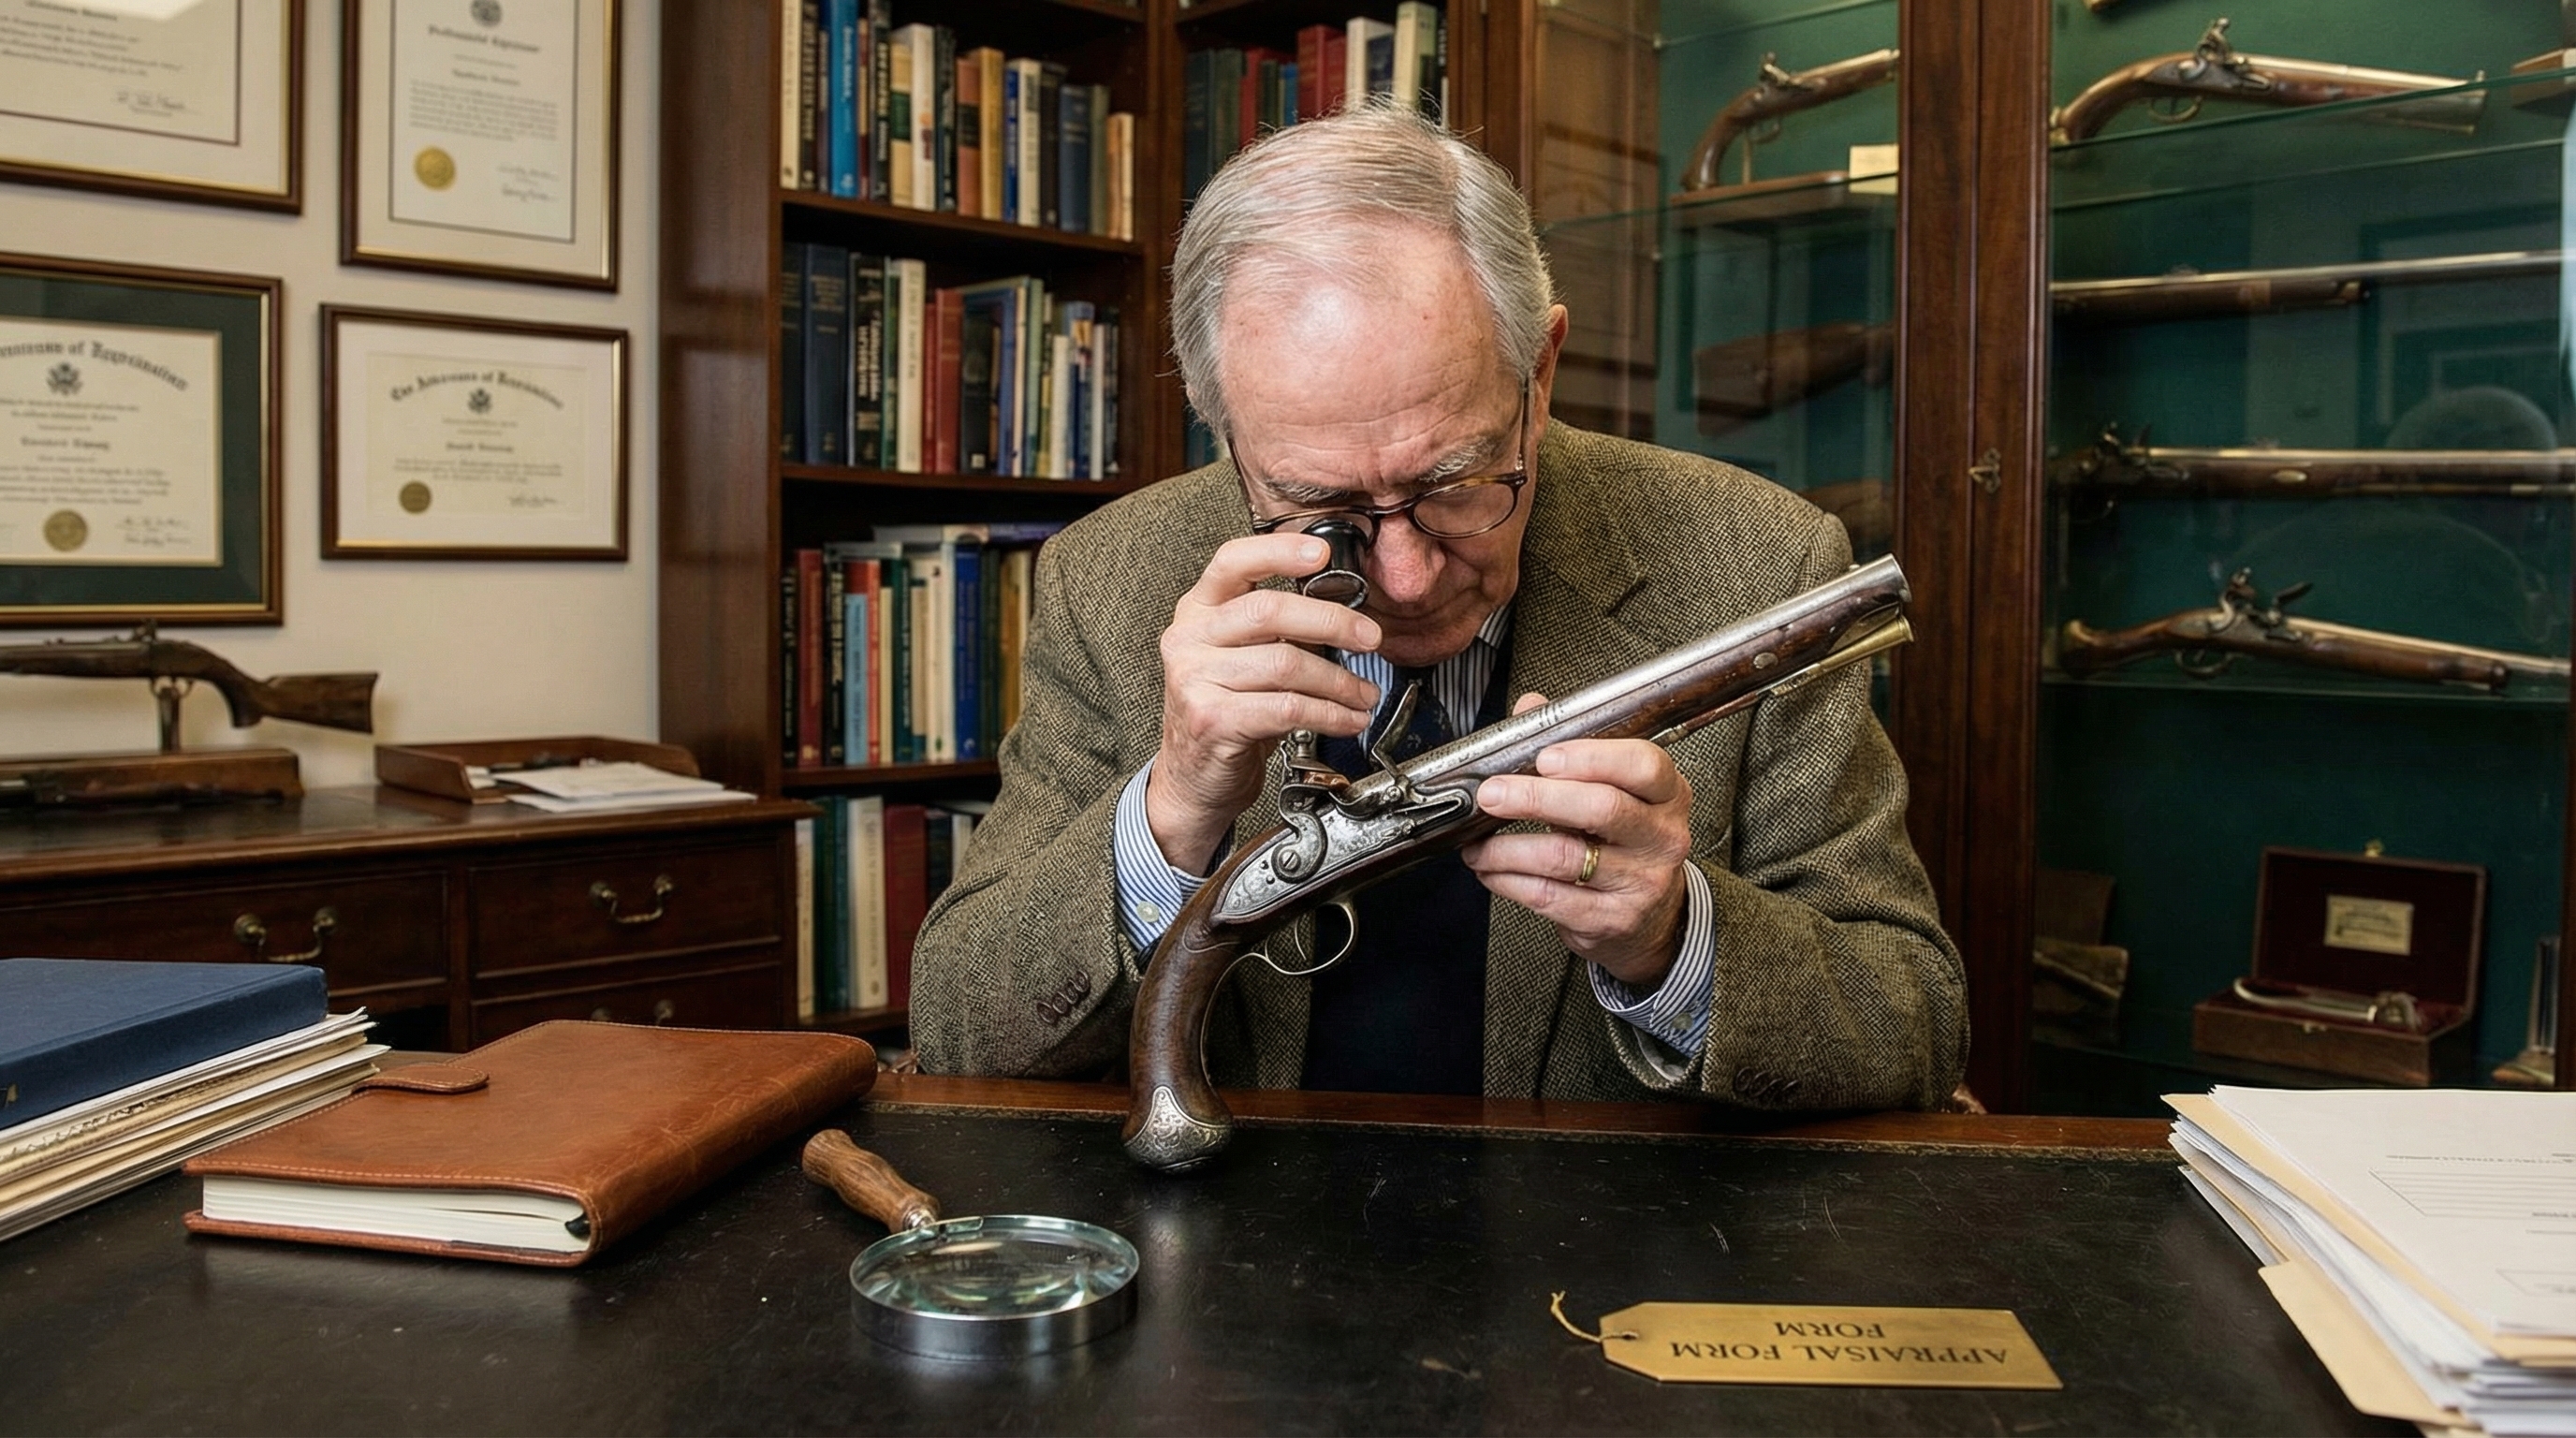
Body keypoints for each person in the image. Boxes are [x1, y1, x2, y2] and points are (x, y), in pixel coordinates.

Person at [909, 108, 1966, 1110]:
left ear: (1539, 371)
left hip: (1601, 1265)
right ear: (1224, 431)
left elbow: (1912, 1027)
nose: (1407, 578)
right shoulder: (1109, 576)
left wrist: (1671, 936)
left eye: (1455, 481)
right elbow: (960, 1037)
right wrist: (1172, 805)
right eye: (1323, 507)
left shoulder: (1761, 563)